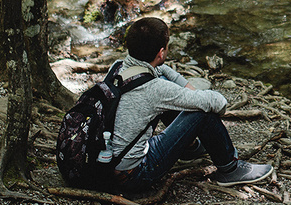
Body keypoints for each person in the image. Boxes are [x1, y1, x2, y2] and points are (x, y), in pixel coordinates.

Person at [108, 16, 274, 193]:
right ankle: (230, 169)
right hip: (135, 174)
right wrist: (196, 95)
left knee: (173, 87)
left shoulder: (118, 67)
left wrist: (186, 87)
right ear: (161, 53)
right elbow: (218, 103)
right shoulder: (155, 89)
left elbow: (159, 69)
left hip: (109, 162)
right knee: (203, 113)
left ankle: (191, 148)